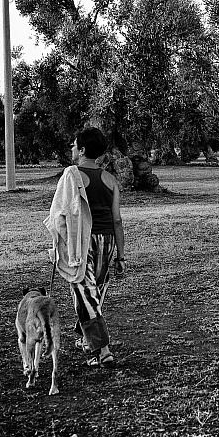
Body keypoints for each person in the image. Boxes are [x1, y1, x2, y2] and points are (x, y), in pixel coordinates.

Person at [43, 126, 126, 368]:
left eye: (74, 144)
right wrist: (121, 256)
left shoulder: (72, 175)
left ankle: (103, 350)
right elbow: (118, 220)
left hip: (83, 242)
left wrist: (58, 245)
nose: (71, 148)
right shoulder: (111, 180)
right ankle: (86, 339)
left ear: (82, 149)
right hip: (108, 241)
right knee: (95, 291)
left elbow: (60, 213)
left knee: (85, 296)